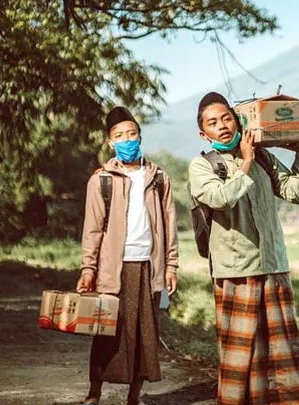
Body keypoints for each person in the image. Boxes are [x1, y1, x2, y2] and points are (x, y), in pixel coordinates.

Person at [188, 92, 299, 405]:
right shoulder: (202, 165)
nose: (222, 126)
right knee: (240, 355)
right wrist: (244, 162)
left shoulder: (262, 157)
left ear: (239, 121)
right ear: (204, 133)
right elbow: (220, 198)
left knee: (280, 353)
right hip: (236, 270)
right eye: (213, 123)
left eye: (227, 118)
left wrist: (298, 152)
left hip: (272, 265)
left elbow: (293, 192)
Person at [76, 106, 179, 405]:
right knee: (107, 331)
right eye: (119, 135)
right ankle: (94, 392)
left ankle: (134, 395)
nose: (127, 139)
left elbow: (169, 224)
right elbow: (92, 229)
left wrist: (171, 265)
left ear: (140, 136)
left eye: (131, 133)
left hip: (148, 266)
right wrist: (88, 269)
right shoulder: (102, 180)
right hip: (113, 269)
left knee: (144, 336)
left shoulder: (159, 178)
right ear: (110, 142)